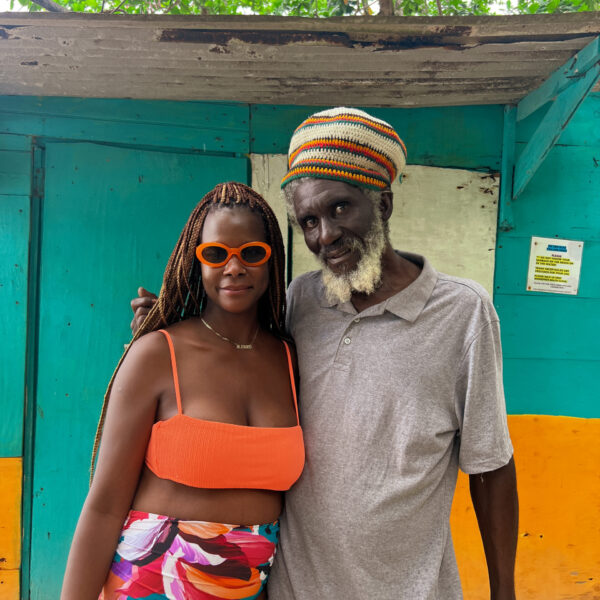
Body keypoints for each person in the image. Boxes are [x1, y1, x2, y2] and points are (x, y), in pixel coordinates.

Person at [131, 108, 519, 600]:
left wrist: (504, 592)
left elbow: (491, 464)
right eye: (308, 221)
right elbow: (227, 349)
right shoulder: (298, 302)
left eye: (340, 208)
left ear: (384, 204)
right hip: (293, 587)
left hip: (412, 589)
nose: (325, 235)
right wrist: (169, 321)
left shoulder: (463, 313)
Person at [62, 182, 305, 600]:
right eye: (215, 254)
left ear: (272, 261)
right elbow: (103, 507)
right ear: (197, 262)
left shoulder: (290, 359)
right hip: (151, 584)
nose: (234, 267)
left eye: (251, 253)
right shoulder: (157, 353)